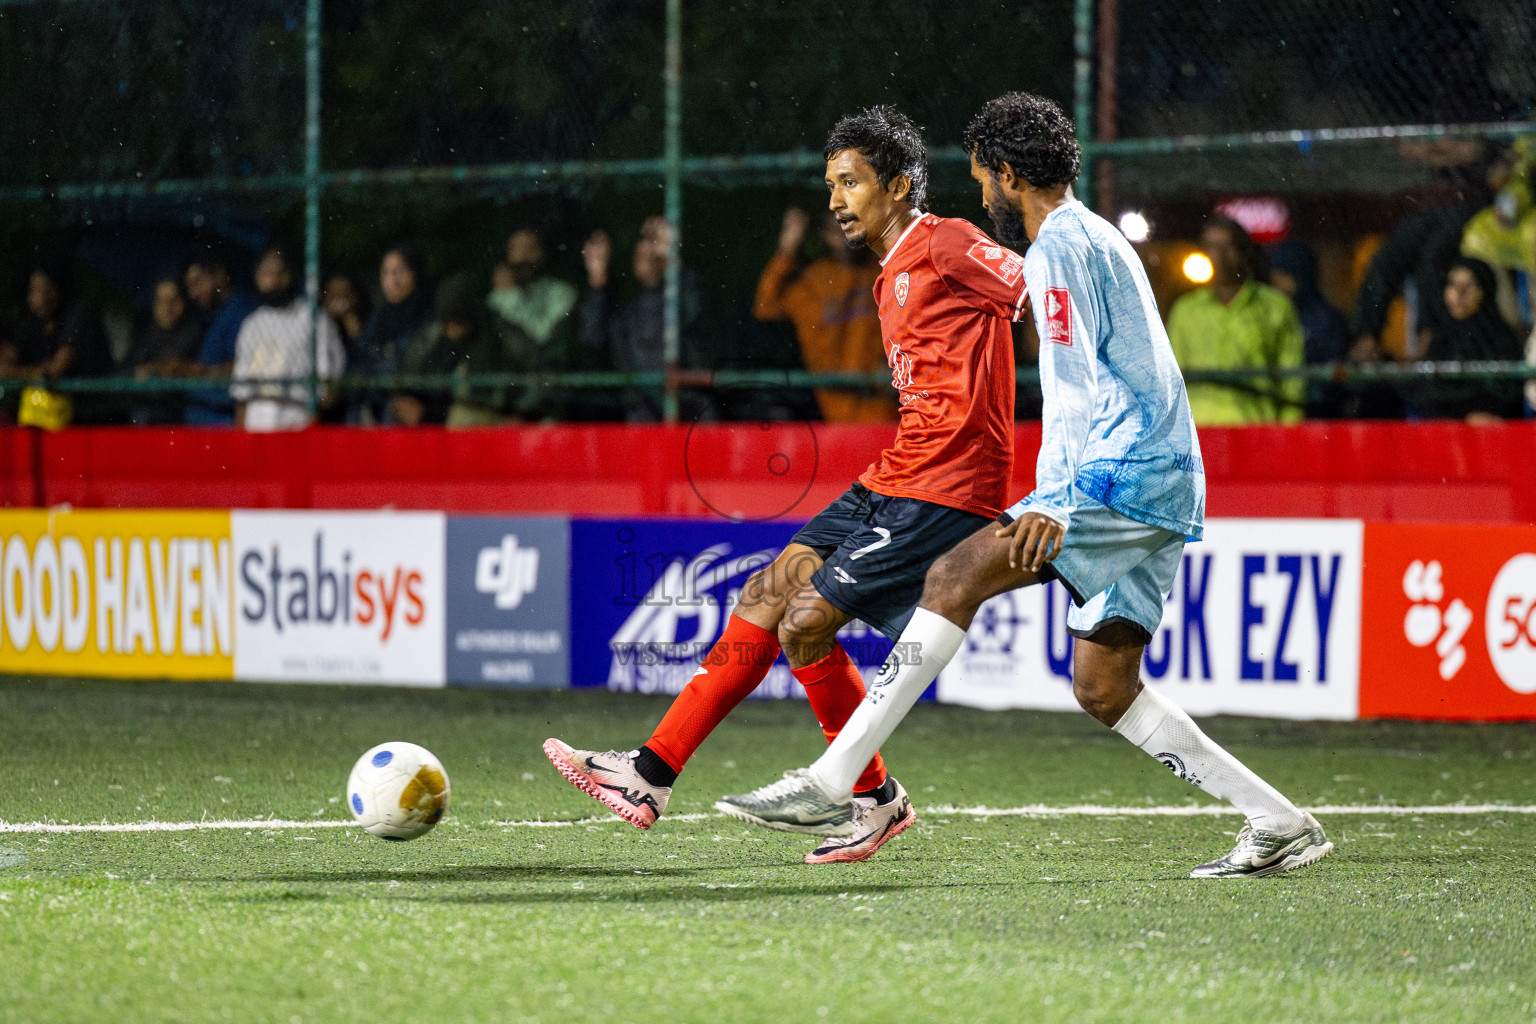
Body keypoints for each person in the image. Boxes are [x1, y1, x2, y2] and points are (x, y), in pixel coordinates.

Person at [725, 93, 1332, 879]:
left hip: (1120, 472)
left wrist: (1049, 495)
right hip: (1164, 474)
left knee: (954, 576)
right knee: (1105, 685)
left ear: (1009, 175)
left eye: (984, 178)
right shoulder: (1095, 235)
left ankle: (834, 779)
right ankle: (1279, 822)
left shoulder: (1056, 249)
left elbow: (1074, 380)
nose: (981, 194)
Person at [543, 106, 1026, 862]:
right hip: (895, 474)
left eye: (850, 182)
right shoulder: (889, 273)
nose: (836, 198)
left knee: (804, 622)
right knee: (767, 595)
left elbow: (1041, 295)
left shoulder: (949, 241)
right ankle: (650, 773)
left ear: (899, 185)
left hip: (946, 488)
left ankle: (869, 798)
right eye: (830, 183)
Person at [753, 208, 895, 422]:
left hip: (889, 412)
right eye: (836, 227)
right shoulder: (812, 281)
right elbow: (765, 307)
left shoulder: (885, 267)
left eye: (851, 223)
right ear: (825, 234)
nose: (844, 233)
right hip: (834, 414)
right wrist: (787, 249)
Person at [1167, 215, 1305, 424]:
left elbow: (1292, 382)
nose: (1219, 257)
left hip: (1256, 434)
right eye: (1212, 247)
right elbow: (1170, 383)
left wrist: (1285, 438)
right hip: (1200, 436)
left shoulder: (1275, 307)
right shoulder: (1185, 311)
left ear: (1244, 252)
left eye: (1227, 247)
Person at [578, 216, 716, 422]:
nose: (647, 247)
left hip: (690, 413)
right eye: (642, 240)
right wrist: (597, 281)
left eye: (655, 241)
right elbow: (591, 340)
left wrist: (673, 260)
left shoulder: (688, 292)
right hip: (641, 418)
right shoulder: (625, 312)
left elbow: (697, 318)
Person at [229, 245, 344, 432]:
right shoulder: (252, 324)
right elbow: (241, 393)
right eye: (267, 273)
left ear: (291, 274)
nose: (273, 280)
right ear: (257, 277)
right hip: (257, 430)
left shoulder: (314, 319)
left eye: (279, 272)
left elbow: (326, 391)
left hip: (297, 429)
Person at [1408, 256, 1526, 421]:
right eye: (1452, 284)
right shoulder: (1440, 340)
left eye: (1468, 285)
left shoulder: (1500, 339)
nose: (1458, 293)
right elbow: (1425, 394)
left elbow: (1508, 394)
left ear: (1484, 290)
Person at [0, 259, 114, 423]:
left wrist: (16, 372)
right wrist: (31, 371)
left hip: (94, 420)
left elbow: (55, 370)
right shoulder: (33, 322)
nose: (40, 298)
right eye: (35, 290)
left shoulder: (80, 315)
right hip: (55, 418)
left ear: (60, 289)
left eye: (46, 289)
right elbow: (9, 359)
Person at [350, 245, 432, 423]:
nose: (392, 281)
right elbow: (358, 367)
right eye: (386, 273)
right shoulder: (377, 321)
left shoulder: (428, 322)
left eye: (399, 272)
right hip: (377, 409)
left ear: (416, 275)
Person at [183, 246, 259, 426]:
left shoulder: (241, 312)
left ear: (219, 274)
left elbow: (244, 366)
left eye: (198, 282)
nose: (193, 293)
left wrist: (194, 371)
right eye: (189, 287)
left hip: (225, 423)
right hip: (204, 423)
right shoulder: (216, 314)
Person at [127, 275, 205, 424]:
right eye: (161, 301)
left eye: (173, 301)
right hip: (146, 414)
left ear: (183, 302)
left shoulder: (195, 331)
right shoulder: (145, 333)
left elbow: (175, 368)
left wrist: (153, 369)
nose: (167, 308)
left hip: (181, 417)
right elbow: (128, 367)